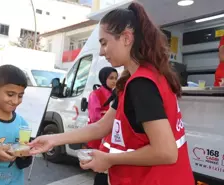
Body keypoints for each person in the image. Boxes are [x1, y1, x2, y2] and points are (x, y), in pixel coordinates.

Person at [29, 2, 194, 185]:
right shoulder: (141, 78)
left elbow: (166, 152)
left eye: (104, 43)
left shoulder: (141, 85)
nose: (101, 52)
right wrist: (54, 139)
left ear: (126, 38)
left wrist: (109, 159)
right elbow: (101, 127)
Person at [87, 67, 118, 185]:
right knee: (100, 170)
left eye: (116, 78)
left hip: (111, 136)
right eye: (111, 78)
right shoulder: (96, 94)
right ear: (103, 78)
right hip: (98, 135)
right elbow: (95, 117)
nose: (114, 81)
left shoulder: (117, 94)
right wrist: (109, 117)